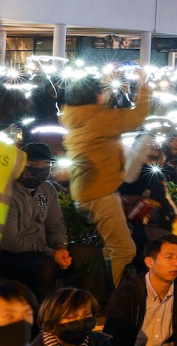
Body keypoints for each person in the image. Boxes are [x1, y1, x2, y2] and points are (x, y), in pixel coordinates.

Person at [61, 70, 151, 284]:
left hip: (84, 192)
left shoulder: (76, 114)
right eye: (101, 92)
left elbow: (105, 108)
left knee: (110, 247)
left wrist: (105, 82)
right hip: (100, 194)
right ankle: (113, 298)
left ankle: (97, 285)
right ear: (95, 96)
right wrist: (144, 84)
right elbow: (138, 116)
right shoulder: (100, 118)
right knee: (124, 249)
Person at [1, 143, 73, 299]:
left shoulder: (48, 189)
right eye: (33, 165)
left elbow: (55, 226)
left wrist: (61, 247)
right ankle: (43, 319)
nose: (40, 170)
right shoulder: (7, 191)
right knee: (46, 267)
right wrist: (51, 253)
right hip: (12, 256)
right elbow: (10, 242)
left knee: (88, 256)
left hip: (44, 251)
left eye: (46, 165)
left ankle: (93, 311)